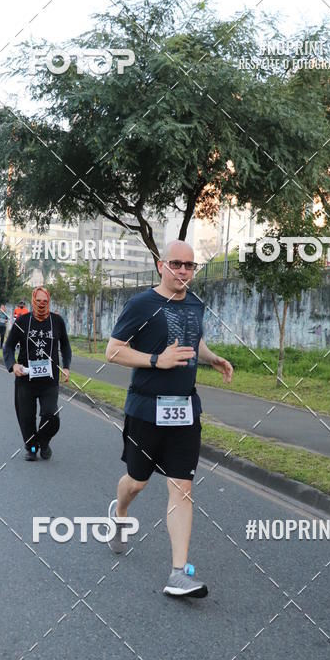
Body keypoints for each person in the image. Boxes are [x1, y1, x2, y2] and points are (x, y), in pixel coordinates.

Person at [105, 241, 233, 599]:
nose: (183, 271)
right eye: (176, 264)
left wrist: (213, 359)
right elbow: (112, 350)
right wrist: (155, 360)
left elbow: (196, 343)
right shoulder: (141, 304)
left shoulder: (195, 304)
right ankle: (120, 512)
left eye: (190, 266)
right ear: (161, 265)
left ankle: (178, 573)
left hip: (185, 410)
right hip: (146, 409)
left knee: (182, 488)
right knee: (136, 482)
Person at [3, 286, 71, 461]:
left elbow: (65, 345)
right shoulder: (23, 321)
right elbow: (8, 346)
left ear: (49, 301)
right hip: (25, 379)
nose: (42, 304)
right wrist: (13, 365)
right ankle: (32, 447)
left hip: (49, 380)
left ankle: (44, 441)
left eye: (45, 301)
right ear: (33, 301)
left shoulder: (57, 321)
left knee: (51, 415)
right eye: (38, 301)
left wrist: (67, 366)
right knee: (26, 418)